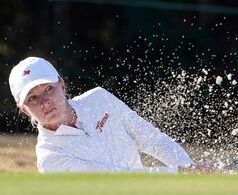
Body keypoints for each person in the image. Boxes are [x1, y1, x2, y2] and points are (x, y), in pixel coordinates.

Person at [9, 57, 216, 173]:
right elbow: (116, 179)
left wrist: (191, 171)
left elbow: (151, 139)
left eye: (48, 89)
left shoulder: (100, 99)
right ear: (23, 108)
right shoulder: (50, 159)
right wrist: (181, 174)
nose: (45, 102)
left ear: (62, 85)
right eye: (32, 99)